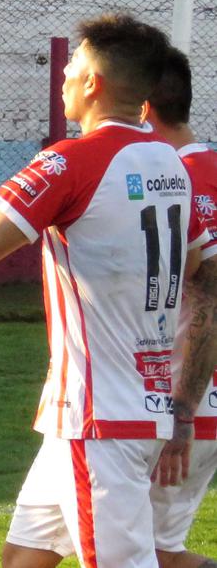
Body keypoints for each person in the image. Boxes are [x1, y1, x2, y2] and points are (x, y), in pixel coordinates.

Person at [0, 13, 217, 568]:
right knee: (25, 558)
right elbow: (204, 279)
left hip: (99, 417)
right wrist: (183, 406)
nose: (63, 74)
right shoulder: (168, 163)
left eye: (71, 64)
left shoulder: (70, 161)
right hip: (126, 407)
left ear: (93, 81)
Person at [143, 46, 217, 568]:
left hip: (180, 397)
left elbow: (208, 299)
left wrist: (183, 414)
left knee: (151, 555)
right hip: (193, 398)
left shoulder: (173, 181)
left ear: (143, 108)